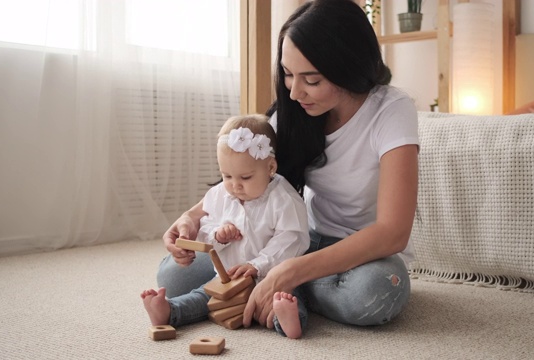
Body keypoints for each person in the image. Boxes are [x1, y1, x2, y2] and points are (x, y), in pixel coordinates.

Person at [159, 0, 418, 331]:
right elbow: (248, 176)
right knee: (172, 275)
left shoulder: (391, 110)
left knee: (374, 293)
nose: (295, 92)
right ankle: (283, 291)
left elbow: (393, 232)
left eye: (311, 79)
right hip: (301, 237)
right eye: (287, 74)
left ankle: (279, 285)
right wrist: (191, 218)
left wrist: (288, 270)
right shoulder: (293, 113)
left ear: (348, 67)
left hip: (362, 253)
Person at [142, 114, 310, 339]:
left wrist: (257, 265)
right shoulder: (220, 194)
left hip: (272, 277)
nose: (235, 185)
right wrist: (217, 235)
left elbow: (292, 238)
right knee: (204, 296)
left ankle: (288, 320)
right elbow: (205, 229)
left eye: (246, 177)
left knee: (289, 297)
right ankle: (170, 311)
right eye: (226, 175)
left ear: (270, 167)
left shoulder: (283, 198)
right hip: (227, 276)